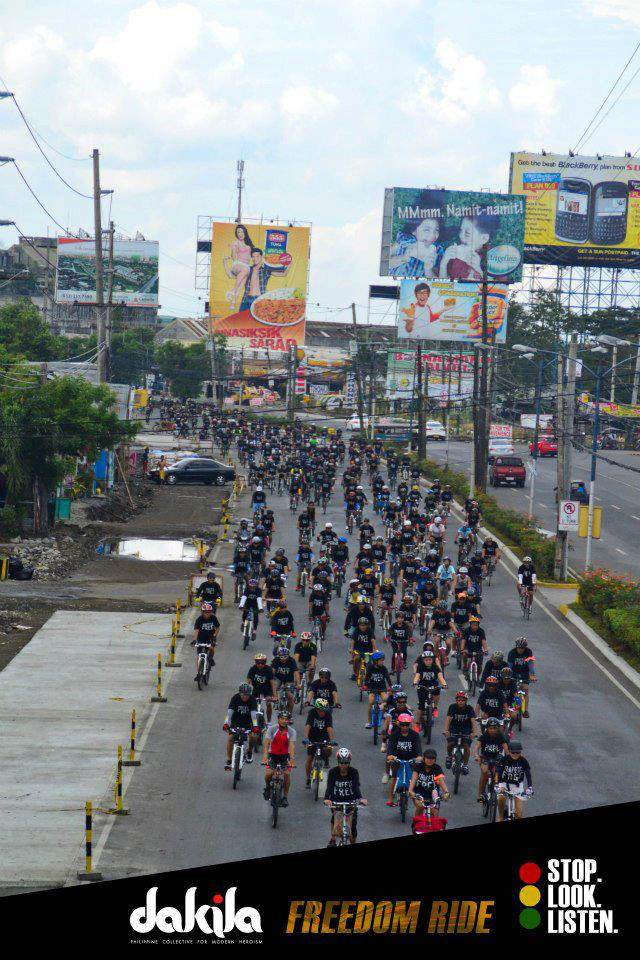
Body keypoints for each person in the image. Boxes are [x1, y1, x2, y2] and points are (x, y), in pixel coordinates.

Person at [324, 747, 368, 846]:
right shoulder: (333, 772)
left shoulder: (354, 772)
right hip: (336, 801)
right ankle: (333, 839)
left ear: (349, 762)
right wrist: (327, 798)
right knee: (336, 817)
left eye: (346, 762)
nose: (343, 765)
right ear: (338, 762)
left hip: (351, 802)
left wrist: (360, 799)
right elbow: (330, 787)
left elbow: (356, 787)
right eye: (341, 762)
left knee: (353, 828)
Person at [439, 213, 499, 282]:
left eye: (467, 233)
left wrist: (478, 269)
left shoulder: (493, 257)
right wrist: (443, 264)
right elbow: (445, 284)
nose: (461, 236)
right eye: (461, 230)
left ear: (484, 238)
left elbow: (496, 286)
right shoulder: (454, 257)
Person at [239, 246, 291, 314]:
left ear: (261, 257)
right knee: (242, 321)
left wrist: (289, 262)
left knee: (258, 322)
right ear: (251, 258)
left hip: (259, 299)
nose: (255, 258)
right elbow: (232, 275)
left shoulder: (266, 270)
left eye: (257, 256)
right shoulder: (248, 269)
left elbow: (284, 274)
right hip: (247, 299)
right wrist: (225, 264)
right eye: (253, 256)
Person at [262, 712, 296, 807]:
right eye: (282, 718)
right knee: (269, 774)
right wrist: (265, 756)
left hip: (285, 756)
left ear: (289, 720)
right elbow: (267, 743)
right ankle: (268, 787)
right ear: (278, 719)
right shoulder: (272, 729)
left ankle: (285, 797)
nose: (284, 721)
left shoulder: (292, 731)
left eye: (286, 719)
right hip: (272, 755)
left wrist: (292, 759)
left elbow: (292, 745)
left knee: (287, 774)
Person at [223, 683, 259, 769]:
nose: (245, 697)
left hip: (248, 723)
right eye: (243, 694)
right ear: (240, 693)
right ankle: (229, 760)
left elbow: (254, 715)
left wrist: (255, 726)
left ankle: (249, 752)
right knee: (230, 738)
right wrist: (226, 723)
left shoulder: (252, 700)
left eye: (247, 695)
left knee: (253, 737)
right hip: (236, 722)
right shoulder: (235, 698)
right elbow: (229, 712)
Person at [496, 741, 533, 821]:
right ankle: (501, 816)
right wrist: (499, 785)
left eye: (518, 752)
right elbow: (498, 772)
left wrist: (530, 787)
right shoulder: (504, 760)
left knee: (519, 815)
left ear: (520, 752)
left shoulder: (523, 761)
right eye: (513, 752)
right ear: (509, 751)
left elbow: (528, 774)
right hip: (504, 784)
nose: (515, 754)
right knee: (501, 798)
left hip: (518, 786)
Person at [474, 716, 508, 802]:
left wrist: (508, 758)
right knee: (484, 772)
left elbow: (506, 749)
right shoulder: (484, 736)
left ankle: (495, 786)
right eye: (490, 728)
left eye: (495, 728)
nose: (492, 730)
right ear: (487, 728)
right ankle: (481, 794)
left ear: (498, 728)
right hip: (485, 757)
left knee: (497, 772)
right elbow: (477, 746)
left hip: (497, 758)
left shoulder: (501, 736)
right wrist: (476, 755)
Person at [443, 691, 477, 774]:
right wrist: (446, 730)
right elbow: (448, 719)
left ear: (466, 701)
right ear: (456, 700)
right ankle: (450, 757)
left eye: (462, 700)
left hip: (466, 728)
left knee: (466, 746)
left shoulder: (470, 708)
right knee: (451, 743)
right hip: (454, 728)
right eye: (459, 700)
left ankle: (465, 764)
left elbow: (473, 721)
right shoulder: (452, 707)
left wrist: (474, 732)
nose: (460, 702)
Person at [303, 699, 335, 787]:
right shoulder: (312, 713)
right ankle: (308, 779)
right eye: (321, 710)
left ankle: (326, 759)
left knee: (329, 749)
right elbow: (308, 725)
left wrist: (331, 740)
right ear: (316, 709)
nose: (323, 713)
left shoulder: (328, 715)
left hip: (324, 737)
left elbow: (329, 727)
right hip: (313, 737)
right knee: (309, 758)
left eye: (324, 710)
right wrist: (306, 738)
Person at [409, 748, 449, 815]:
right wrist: (411, 791)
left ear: (435, 759)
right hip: (419, 794)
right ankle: (415, 824)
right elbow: (413, 779)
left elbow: (441, 781)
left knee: (435, 813)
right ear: (424, 758)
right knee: (420, 806)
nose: (430, 760)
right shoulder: (418, 767)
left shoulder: (437, 768)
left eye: (432, 758)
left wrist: (446, 792)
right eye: (428, 758)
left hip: (433, 795)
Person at [507, 637, 537, 718]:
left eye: (522, 648)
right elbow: (509, 666)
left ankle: (525, 710)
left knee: (525, 689)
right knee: (513, 691)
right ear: (516, 646)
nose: (520, 650)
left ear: (525, 647)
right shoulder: (511, 653)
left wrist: (532, 675)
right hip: (514, 674)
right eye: (519, 648)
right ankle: (512, 706)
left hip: (524, 674)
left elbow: (530, 664)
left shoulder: (529, 652)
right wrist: (508, 676)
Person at [190, 601, 219, 677]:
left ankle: (210, 659)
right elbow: (196, 631)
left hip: (210, 637)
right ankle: (198, 673)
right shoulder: (199, 620)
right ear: (202, 612)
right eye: (205, 612)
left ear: (211, 612)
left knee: (211, 648)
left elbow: (217, 628)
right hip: (201, 638)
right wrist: (194, 640)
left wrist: (214, 635)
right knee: (199, 655)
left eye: (209, 612)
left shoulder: (213, 618)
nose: (207, 614)